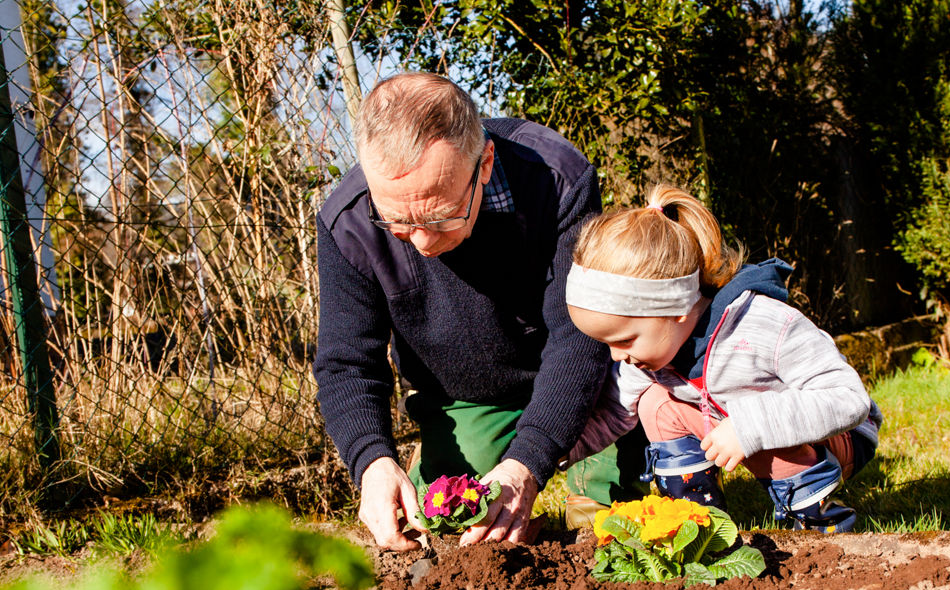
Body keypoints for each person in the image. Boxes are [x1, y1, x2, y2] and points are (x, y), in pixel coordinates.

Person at [313, 72, 636, 550]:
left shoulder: (556, 180)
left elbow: (577, 337)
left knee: (608, 529)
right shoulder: (349, 222)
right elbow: (347, 362)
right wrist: (371, 462)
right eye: (398, 221)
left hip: (590, 384)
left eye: (440, 215)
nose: (421, 242)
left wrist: (527, 462)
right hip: (473, 396)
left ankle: (607, 462)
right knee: (456, 524)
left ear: (483, 163)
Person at [563, 184, 882, 533]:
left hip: (835, 434)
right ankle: (697, 521)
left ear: (676, 310)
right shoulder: (651, 354)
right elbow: (612, 412)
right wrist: (554, 452)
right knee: (654, 402)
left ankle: (819, 526)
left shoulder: (763, 327)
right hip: (729, 421)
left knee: (745, 407)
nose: (616, 355)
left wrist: (750, 425)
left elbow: (849, 400)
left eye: (624, 339)